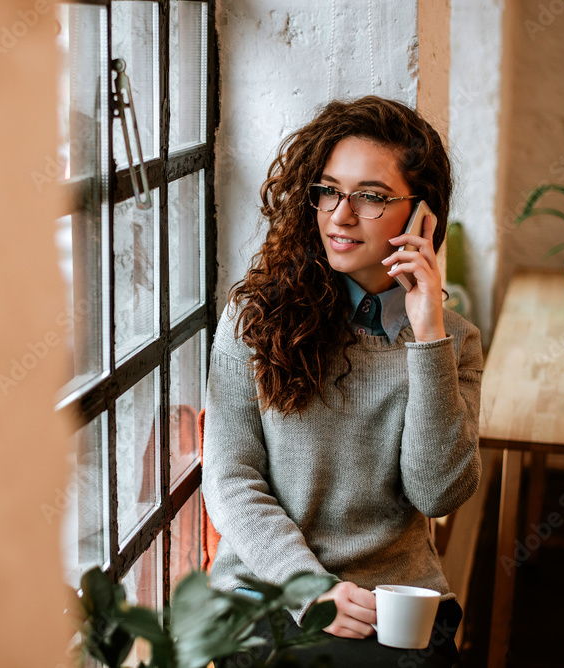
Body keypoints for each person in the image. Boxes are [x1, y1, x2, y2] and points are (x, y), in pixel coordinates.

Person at [201, 96, 482, 667]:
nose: (340, 215)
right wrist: (313, 588)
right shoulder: (254, 320)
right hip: (270, 589)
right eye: (328, 190)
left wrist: (426, 333)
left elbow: (437, 492)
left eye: (371, 197)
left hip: (393, 599)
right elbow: (231, 480)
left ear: (423, 214)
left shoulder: (454, 341)